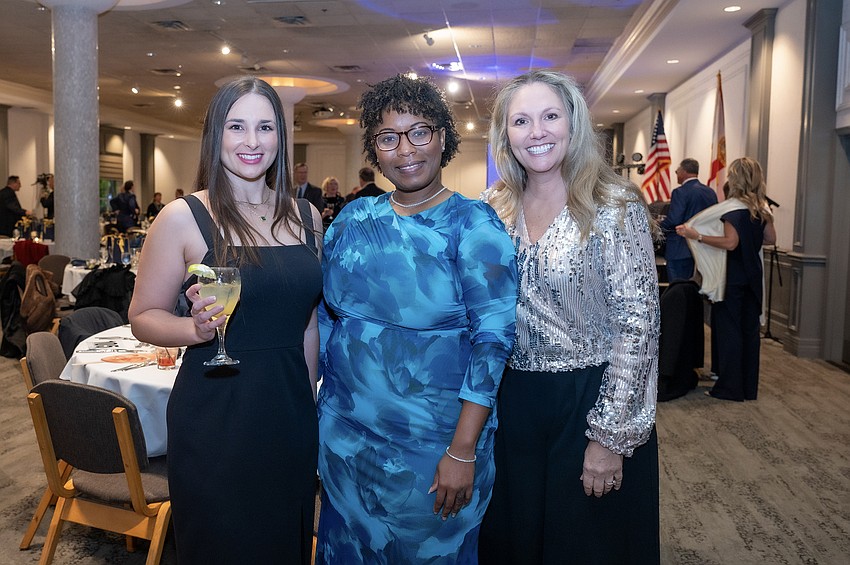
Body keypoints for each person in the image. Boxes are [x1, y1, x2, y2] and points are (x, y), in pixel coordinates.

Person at [316, 74, 518, 563]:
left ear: (442, 138)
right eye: (388, 137)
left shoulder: (473, 224)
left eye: (419, 132)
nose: (405, 149)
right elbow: (326, 319)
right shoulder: (352, 220)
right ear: (374, 150)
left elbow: (493, 343)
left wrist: (463, 449)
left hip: (433, 451)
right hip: (345, 439)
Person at [127, 76, 323, 564]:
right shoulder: (183, 216)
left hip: (289, 415)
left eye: (265, 127)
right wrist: (193, 330)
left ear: (281, 135)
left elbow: (309, 322)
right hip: (217, 416)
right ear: (216, 135)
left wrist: (310, 396)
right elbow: (143, 318)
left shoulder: (306, 215)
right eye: (237, 126)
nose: (252, 142)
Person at [478, 69, 661, 564]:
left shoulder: (614, 204)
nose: (536, 131)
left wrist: (608, 436)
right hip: (512, 403)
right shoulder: (492, 208)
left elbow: (638, 325)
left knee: (583, 544)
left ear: (573, 122)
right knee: (515, 541)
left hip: (591, 398)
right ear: (505, 134)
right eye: (521, 120)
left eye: (550, 116)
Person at [676, 157, 776, 402]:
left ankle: (730, 388)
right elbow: (770, 238)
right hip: (753, 275)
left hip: (731, 278)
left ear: (736, 179)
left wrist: (697, 235)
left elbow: (731, 243)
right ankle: (747, 387)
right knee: (749, 333)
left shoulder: (733, 210)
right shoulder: (761, 208)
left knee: (730, 332)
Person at [659, 158, 717, 282]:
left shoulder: (680, 192)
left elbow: (675, 220)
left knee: (678, 289)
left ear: (684, 171)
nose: (677, 175)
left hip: (680, 248)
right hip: (704, 247)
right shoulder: (710, 192)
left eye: (677, 171)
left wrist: (657, 226)